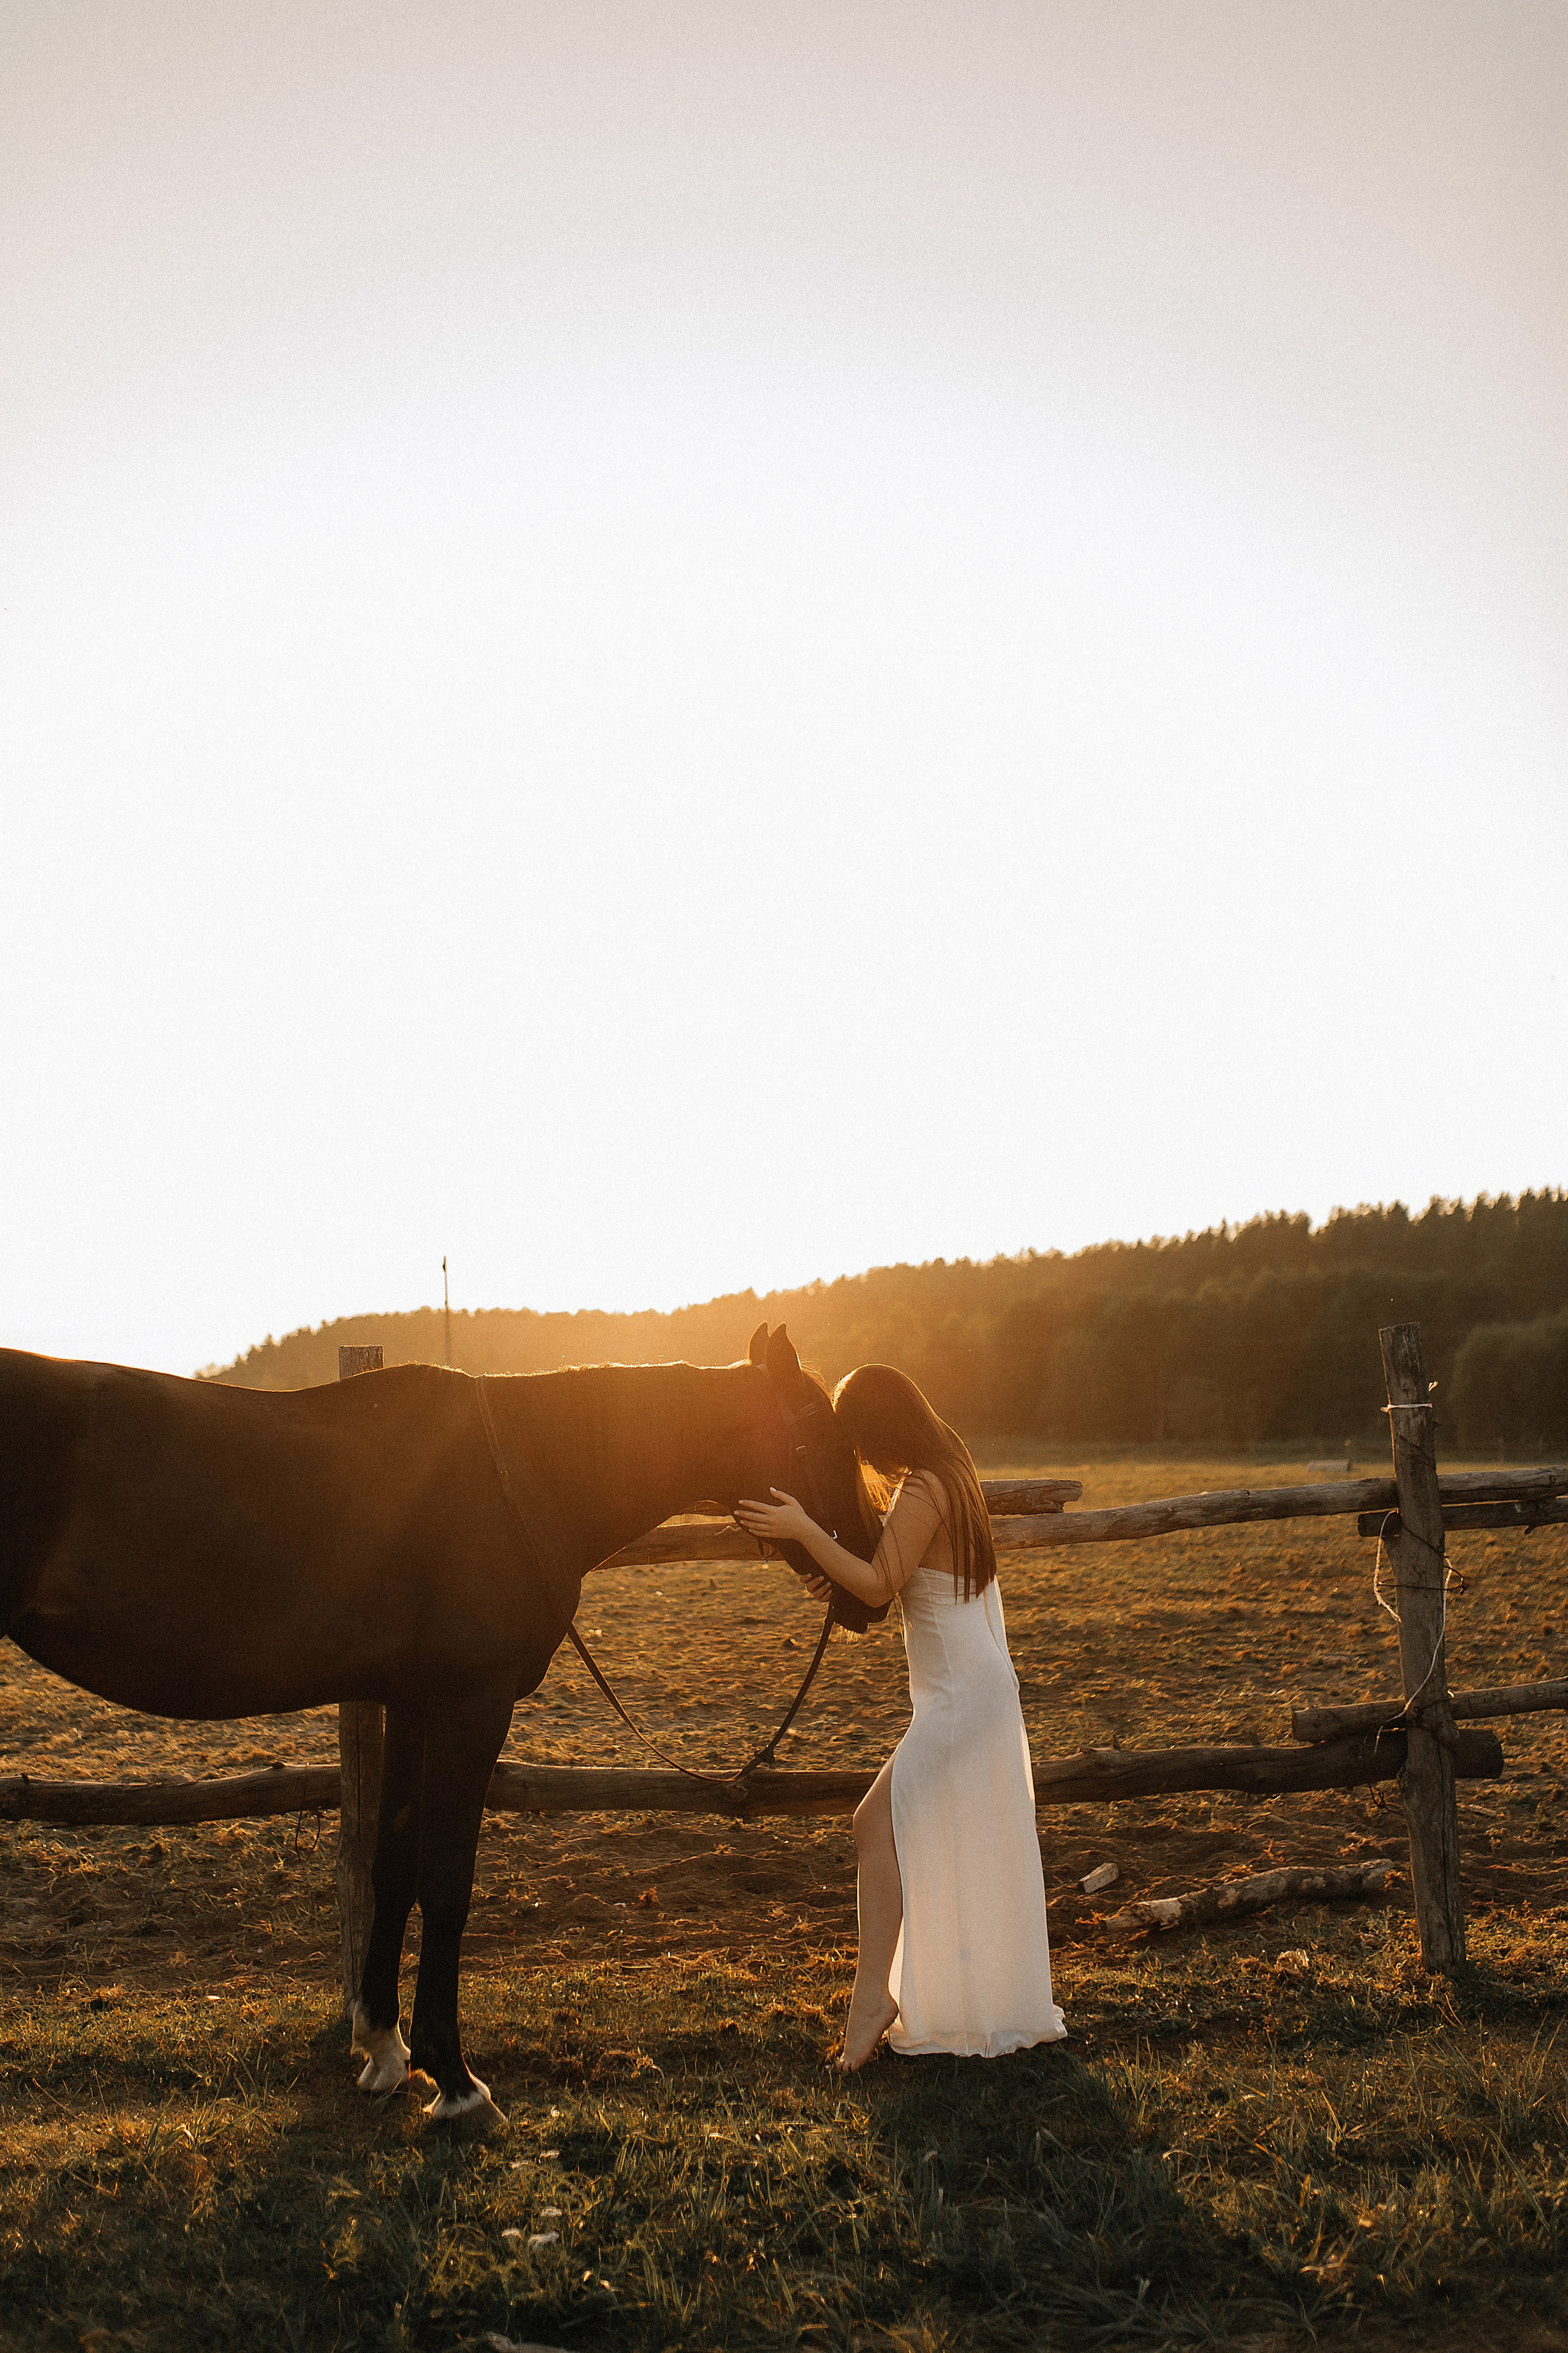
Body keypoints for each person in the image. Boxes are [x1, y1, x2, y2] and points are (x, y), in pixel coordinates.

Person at [734, 1363, 1066, 2072]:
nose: (864, 1459)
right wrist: (827, 1569)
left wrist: (800, 1526)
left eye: (861, 1442)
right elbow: (892, 1573)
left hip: (958, 1695)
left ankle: (871, 2002)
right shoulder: (951, 1470)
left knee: (873, 1823)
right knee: (883, 1824)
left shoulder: (927, 1483)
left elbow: (882, 1580)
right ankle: (901, 1994)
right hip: (969, 1686)